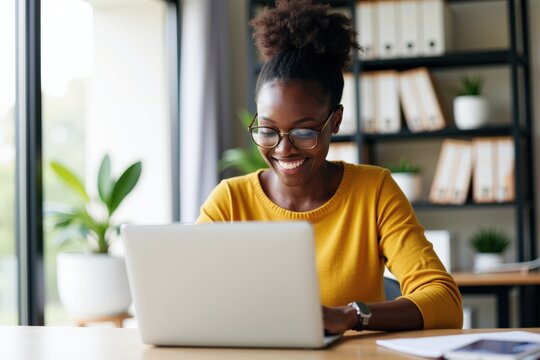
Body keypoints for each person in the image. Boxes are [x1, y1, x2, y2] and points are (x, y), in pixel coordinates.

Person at [197, 0, 462, 334]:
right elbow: (191, 299)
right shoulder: (229, 201)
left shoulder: (373, 190)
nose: (283, 149)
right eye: (267, 130)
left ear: (334, 121)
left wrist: (352, 315)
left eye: (304, 131)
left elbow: (445, 301)